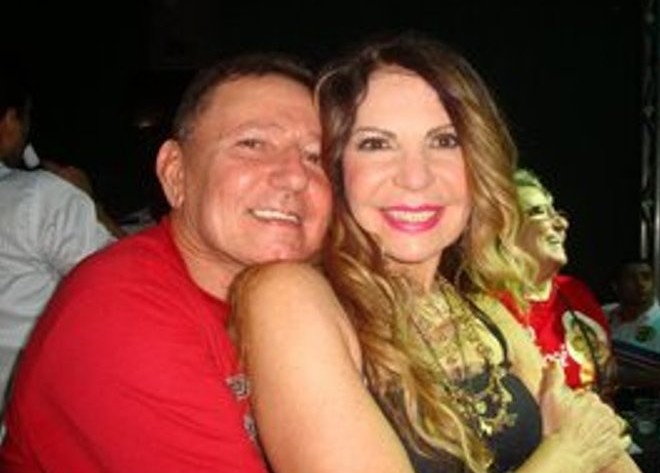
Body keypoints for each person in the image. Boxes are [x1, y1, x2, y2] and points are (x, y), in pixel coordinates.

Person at [233, 33, 638, 473]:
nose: (416, 177)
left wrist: (581, 444)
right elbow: (584, 446)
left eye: (445, 141)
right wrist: (567, 456)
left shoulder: (487, 314)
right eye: (376, 143)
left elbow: (607, 450)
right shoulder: (289, 298)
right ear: (337, 167)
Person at [0, 53, 332, 472]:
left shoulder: (303, 301)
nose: (296, 176)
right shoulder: (118, 313)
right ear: (176, 173)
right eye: (252, 144)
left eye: (317, 157)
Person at [0, 73, 120, 409]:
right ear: (9, 121)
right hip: (32, 412)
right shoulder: (40, 197)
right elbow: (125, 285)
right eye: (25, 120)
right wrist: (89, 203)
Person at [499, 168, 615, 397]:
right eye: (538, 212)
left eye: (557, 213)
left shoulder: (576, 292)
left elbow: (606, 378)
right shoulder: (488, 308)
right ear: (504, 230)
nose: (562, 223)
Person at [603, 258, 660, 395]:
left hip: (645, 404)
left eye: (646, 277)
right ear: (616, 286)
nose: (641, 284)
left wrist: (618, 375)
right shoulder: (604, 313)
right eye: (631, 278)